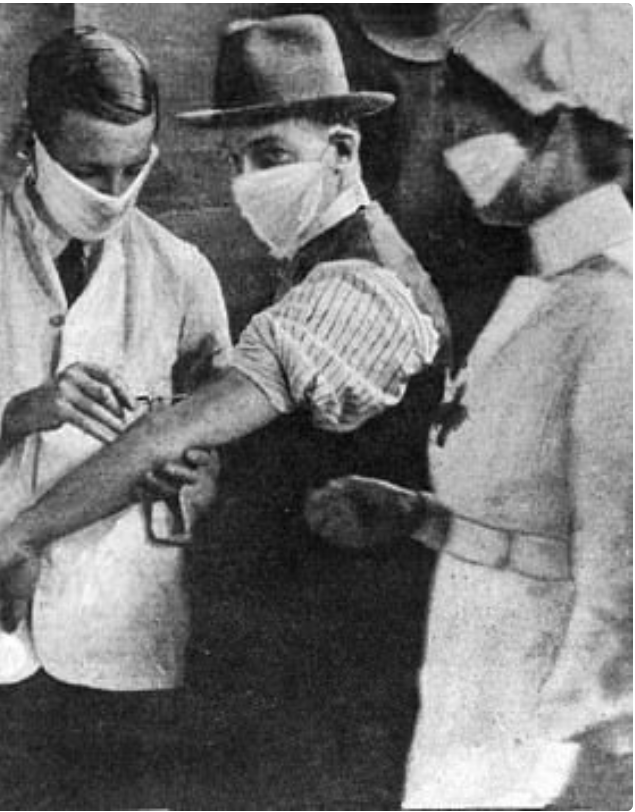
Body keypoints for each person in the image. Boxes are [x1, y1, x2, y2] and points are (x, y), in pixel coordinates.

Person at [0, 16, 450, 805]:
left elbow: (167, 433)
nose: (248, 181)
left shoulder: (357, 286)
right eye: (236, 161)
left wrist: (22, 535)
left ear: (344, 150)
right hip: (289, 661)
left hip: (329, 678)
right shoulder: (318, 266)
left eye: (272, 155)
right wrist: (225, 460)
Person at [0, 28, 229, 809]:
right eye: (90, 169)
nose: (114, 190)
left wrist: (199, 471)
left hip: (121, 618)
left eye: (134, 167)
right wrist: (18, 413)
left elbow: (220, 441)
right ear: (31, 143)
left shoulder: (182, 272)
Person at [305, 5, 632, 808]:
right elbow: (538, 511)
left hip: (550, 734)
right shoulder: (551, 288)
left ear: (560, 132)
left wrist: (604, 753)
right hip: (479, 668)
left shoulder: (615, 308)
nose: (452, 146)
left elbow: (626, 566)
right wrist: (420, 515)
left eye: (469, 118)